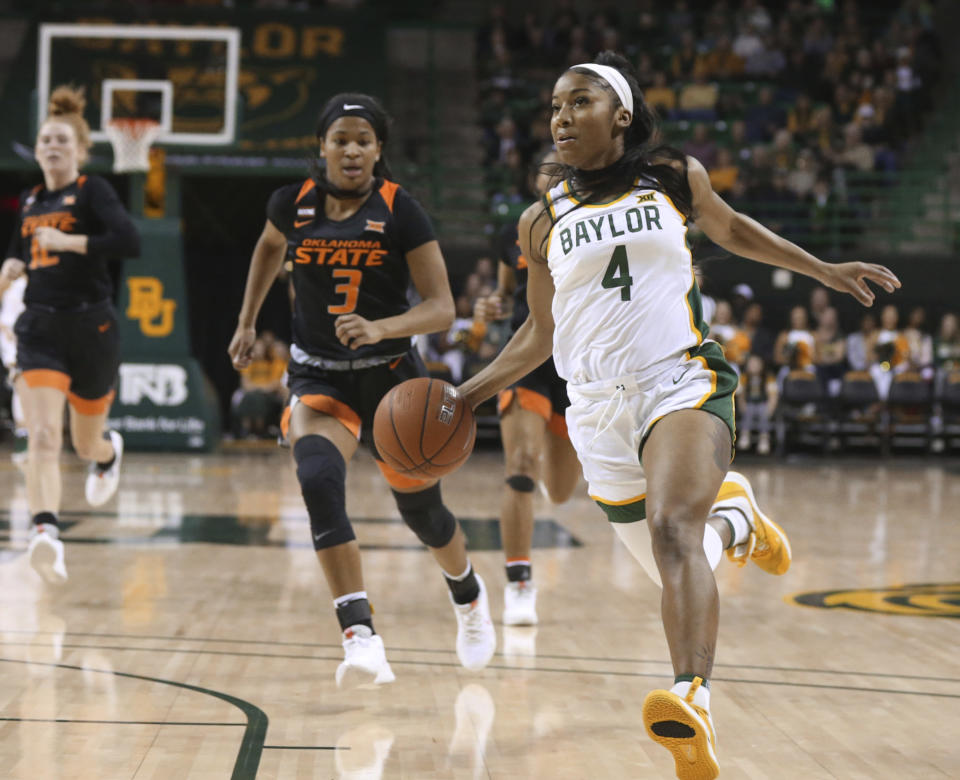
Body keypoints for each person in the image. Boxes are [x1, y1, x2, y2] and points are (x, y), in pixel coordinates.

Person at [458, 52, 899, 779]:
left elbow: (733, 231)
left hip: (680, 380)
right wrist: (468, 393)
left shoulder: (671, 176)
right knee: (680, 561)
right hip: (596, 409)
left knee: (672, 531)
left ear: (621, 115)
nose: (562, 118)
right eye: (555, 108)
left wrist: (823, 269)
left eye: (580, 103)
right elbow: (539, 332)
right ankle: (739, 519)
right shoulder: (541, 221)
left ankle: (691, 698)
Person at [228, 93, 496, 688]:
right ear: (321, 147)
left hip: (391, 380)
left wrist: (381, 326)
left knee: (422, 514)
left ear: (379, 151)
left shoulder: (402, 210)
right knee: (319, 482)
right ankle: (361, 635)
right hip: (318, 376)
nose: (351, 150)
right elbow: (269, 249)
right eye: (341, 139)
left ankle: (469, 594)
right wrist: (247, 321)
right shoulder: (290, 205)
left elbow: (441, 308)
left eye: (364, 140)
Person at [0, 86, 139, 584]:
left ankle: (108, 453)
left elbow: (129, 240)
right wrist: (13, 263)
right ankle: (45, 534)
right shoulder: (33, 199)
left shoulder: (92, 190)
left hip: (91, 327)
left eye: (61, 140)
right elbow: (22, 249)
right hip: (39, 327)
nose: (52, 146)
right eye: (45, 140)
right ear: (37, 151)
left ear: (79, 150)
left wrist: (71, 241)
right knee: (40, 436)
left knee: (84, 445)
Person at [473, 151, 580, 627]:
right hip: (528, 356)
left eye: (564, 169)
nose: (555, 174)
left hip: (580, 365)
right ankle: (518, 582)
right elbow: (504, 290)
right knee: (520, 466)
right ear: (534, 179)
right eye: (547, 168)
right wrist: (492, 305)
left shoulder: (597, 224)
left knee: (559, 492)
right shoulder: (517, 230)